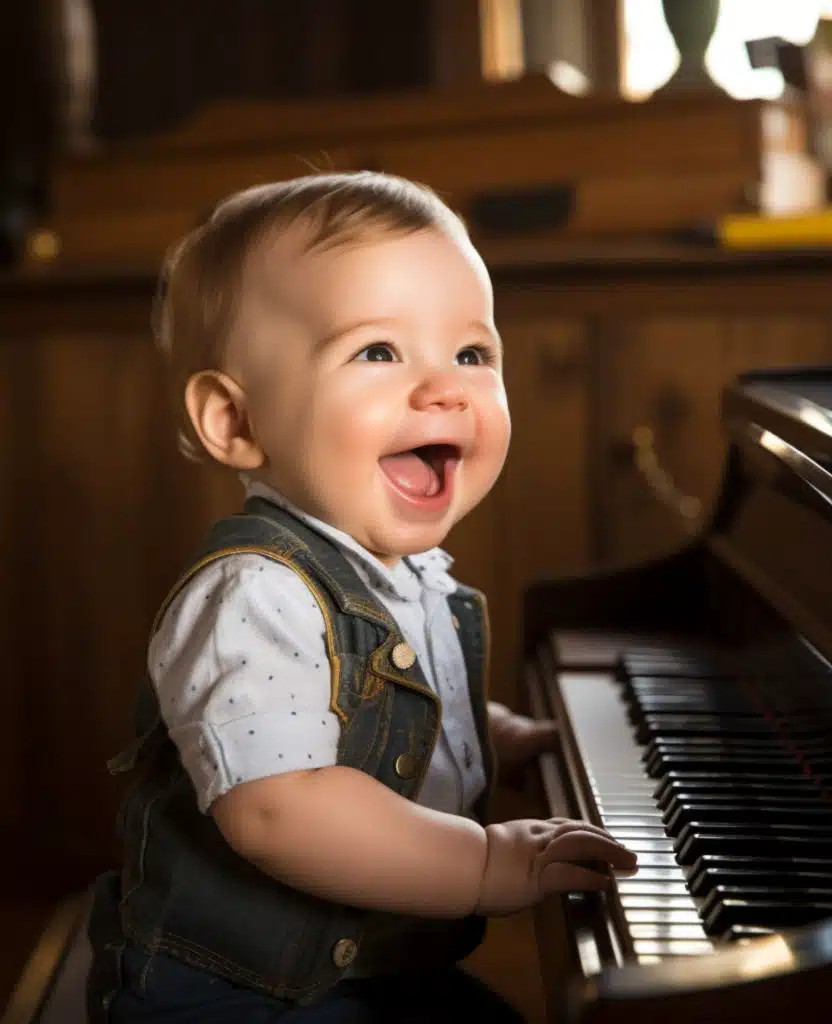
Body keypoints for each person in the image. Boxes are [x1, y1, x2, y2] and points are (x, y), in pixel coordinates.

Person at [86, 171, 637, 1023]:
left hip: (368, 970)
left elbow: (368, 708)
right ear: (235, 421)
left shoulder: (400, 572)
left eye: (472, 354)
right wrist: (485, 862)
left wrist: (487, 733)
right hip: (242, 996)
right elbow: (279, 806)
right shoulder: (253, 597)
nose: (445, 387)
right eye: (378, 352)